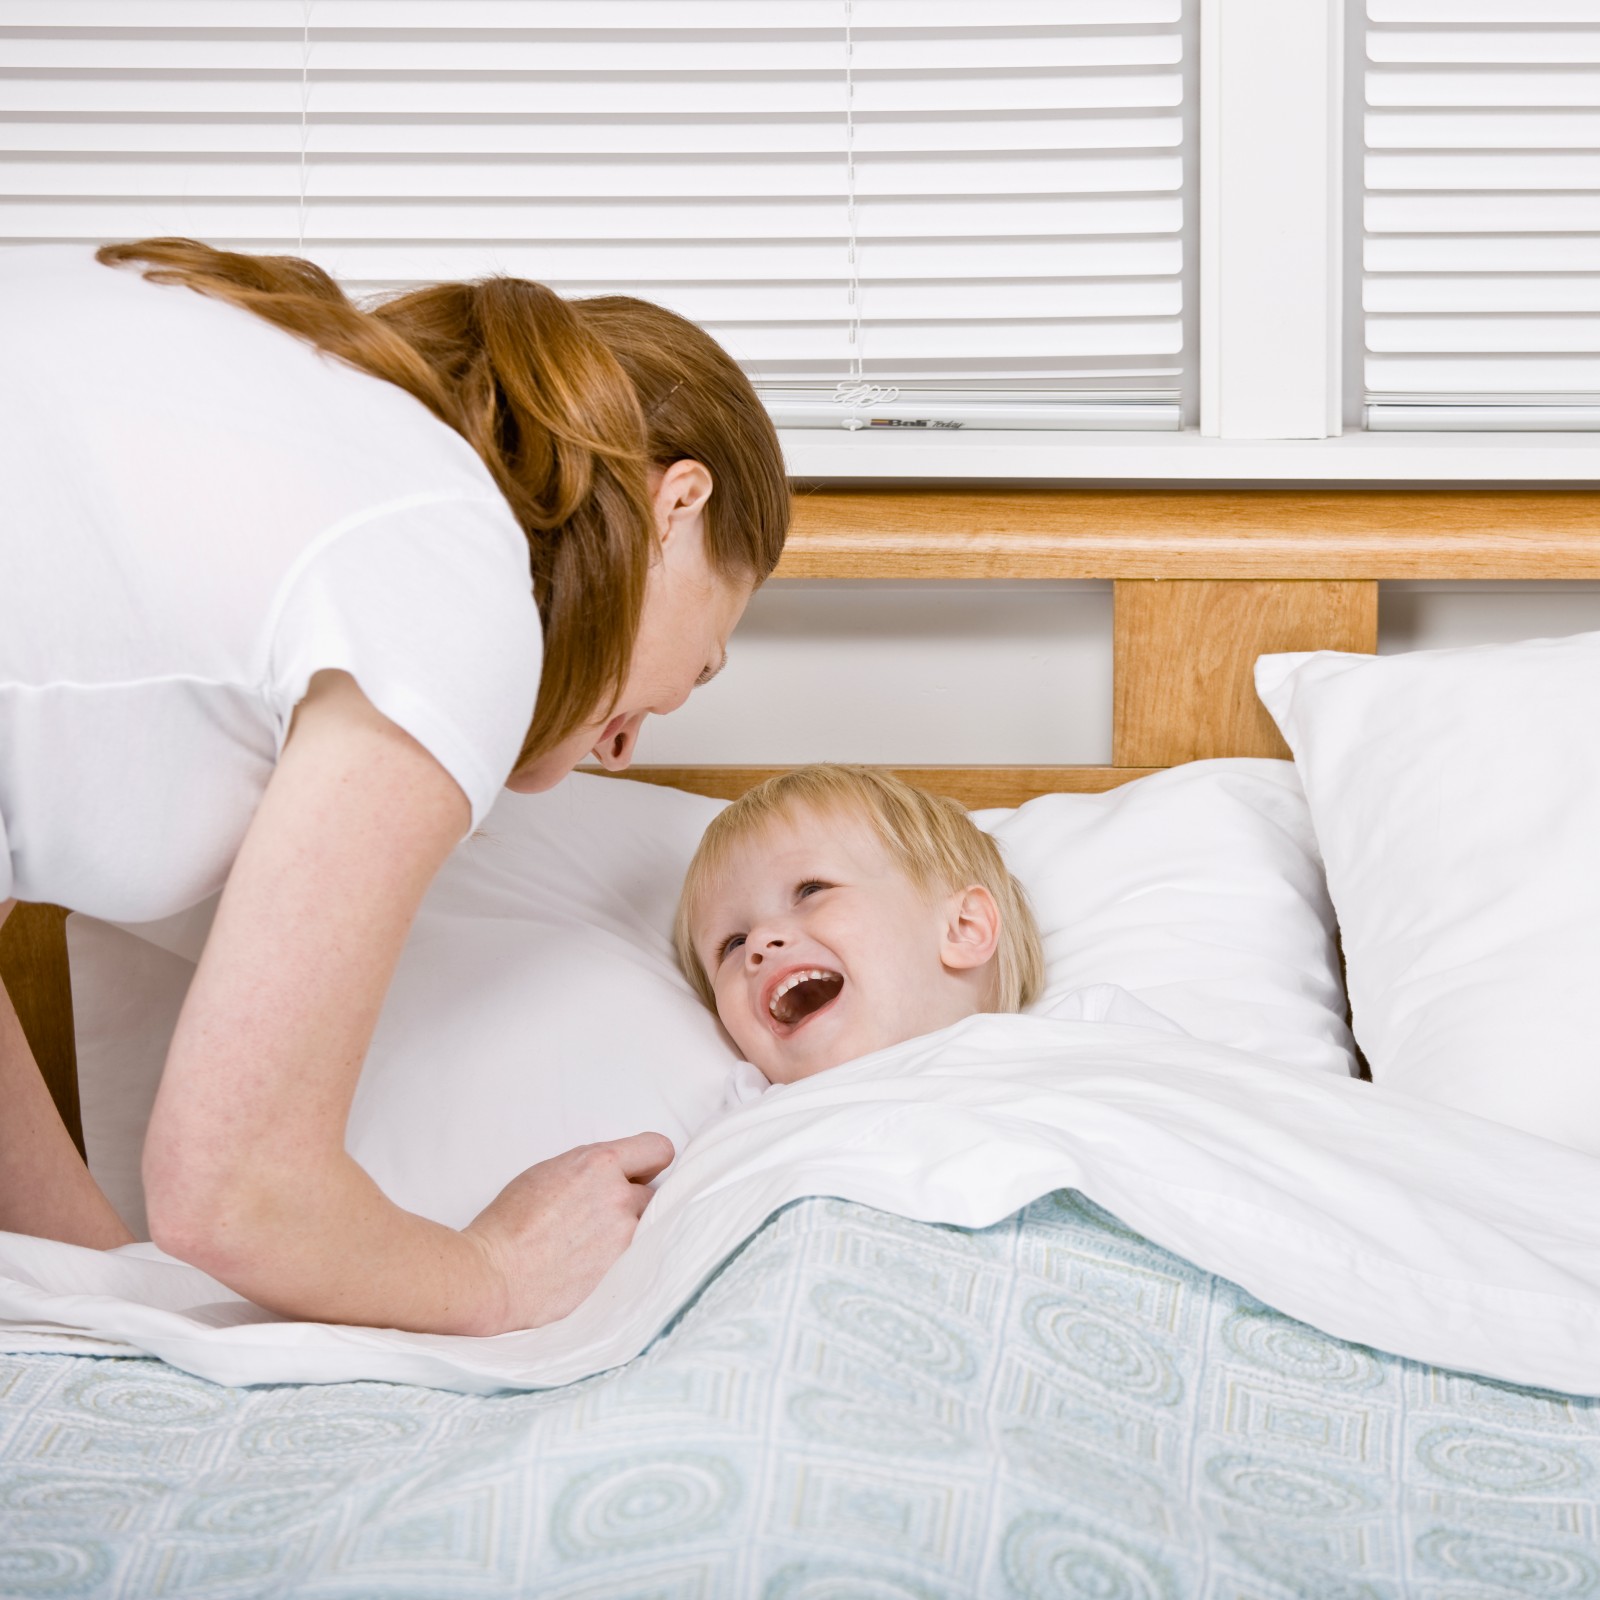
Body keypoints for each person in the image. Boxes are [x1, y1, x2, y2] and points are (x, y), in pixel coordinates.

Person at [0, 238, 789, 1334]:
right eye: (702, 664)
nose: (624, 747)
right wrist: (497, 1276)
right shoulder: (454, 580)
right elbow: (232, 1190)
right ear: (678, 506)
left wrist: (105, 1289)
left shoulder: (304, 428)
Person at [675, 765, 1187, 1107]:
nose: (760, 942)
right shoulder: (747, 1108)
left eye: (811, 890)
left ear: (963, 928)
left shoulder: (1087, 1036)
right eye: (731, 944)